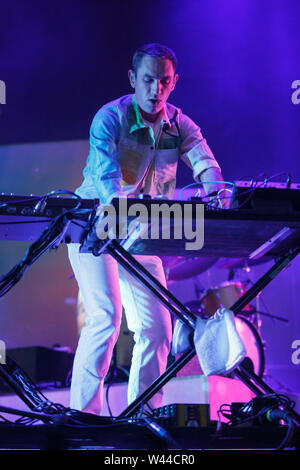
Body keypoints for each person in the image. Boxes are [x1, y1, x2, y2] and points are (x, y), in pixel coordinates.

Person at [67, 43, 226, 416]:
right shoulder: (110, 118)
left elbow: (205, 161)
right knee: (106, 318)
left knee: (159, 327)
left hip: (140, 233)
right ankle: (83, 418)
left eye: (165, 82)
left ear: (174, 84)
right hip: (95, 229)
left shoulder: (179, 124)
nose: (157, 89)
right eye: (150, 80)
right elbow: (107, 182)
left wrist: (217, 190)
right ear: (133, 79)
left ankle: (144, 414)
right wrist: (125, 210)